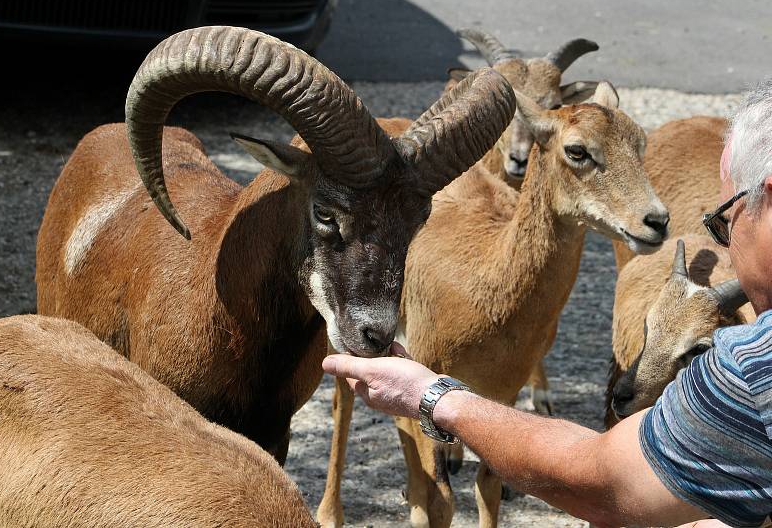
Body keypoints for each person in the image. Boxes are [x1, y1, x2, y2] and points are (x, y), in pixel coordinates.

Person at [322, 78, 772, 528]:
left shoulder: (751, 369)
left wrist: (429, 396)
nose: (724, 241)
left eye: (724, 221)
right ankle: (333, 495)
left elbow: (608, 481)